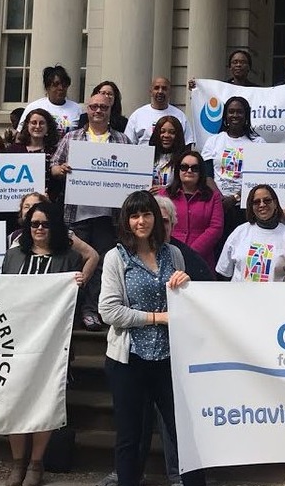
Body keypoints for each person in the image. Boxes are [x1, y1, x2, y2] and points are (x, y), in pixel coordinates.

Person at [97, 191, 205, 486]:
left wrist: (186, 283)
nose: (141, 221)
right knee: (131, 437)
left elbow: (185, 303)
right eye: (134, 215)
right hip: (129, 360)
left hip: (169, 358)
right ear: (126, 221)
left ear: (156, 219)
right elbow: (108, 310)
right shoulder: (116, 257)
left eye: (147, 214)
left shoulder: (173, 254)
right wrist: (156, 318)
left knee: (184, 434)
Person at [0, 201, 86, 486]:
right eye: (33, 224)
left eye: (45, 224)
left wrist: (78, 282)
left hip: (52, 344)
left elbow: (73, 302)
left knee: (43, 402)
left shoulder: (70, 258)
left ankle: (36, 463)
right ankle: (17, 463)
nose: (38, 228)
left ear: (55, 227)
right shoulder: (13, 257)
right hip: (15, 342)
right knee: (15, 402)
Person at [50, 92, 133, 332]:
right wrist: (61, 169)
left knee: (102, 264)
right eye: (94, 106)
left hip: (109, 216)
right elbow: (53, 167)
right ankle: (73, 311)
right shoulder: (72, 137)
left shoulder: (122, 140)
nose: (98, 111)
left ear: (111, 110)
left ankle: (92, 310)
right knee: (77, 262)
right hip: (76, 213)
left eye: (103, 107)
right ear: (87, 109)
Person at [200, 96, 266, 239]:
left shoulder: (258, 142)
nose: (235, 115)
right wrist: (220, 198)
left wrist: (235, 198)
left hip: (246, 207)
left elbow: (259, 177)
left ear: (246, 115)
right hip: (218, 206)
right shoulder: (214, 141)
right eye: (231, 112)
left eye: (239, 112)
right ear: (225, 115)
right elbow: (207, 175)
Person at [216, 184, 285, 282]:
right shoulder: (239, 232)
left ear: (275, 203)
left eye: (267, 200)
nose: (262, 205)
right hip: (239, 295)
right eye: (256, 202)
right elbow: (224, 272)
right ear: (251, 206)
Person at [165, 150, 223, 269]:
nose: (189, 171)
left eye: (195, 168)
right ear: (178, 171)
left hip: (201, 258)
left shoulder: (213, 197)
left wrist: (191, 253)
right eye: (184, 167)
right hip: (168, 256)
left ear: (201, 172)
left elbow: (216, 228)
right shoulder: (164, 195)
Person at [7, 108, 64, 201]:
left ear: (48, 126)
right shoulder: (13, 150)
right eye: (33, 122)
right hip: (16, 203)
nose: (37, 126)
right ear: (27, 125)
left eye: (41, 123)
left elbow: (58, 183)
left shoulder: (56, 152)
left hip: (48, 205)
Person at [17, 64, 84, 134]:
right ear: (47, 87)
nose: (61, 88)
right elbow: (21, 134)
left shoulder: (77, 109)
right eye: (55, 84)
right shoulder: (34, 107)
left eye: (64, 85)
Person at [123, 77, 189, 145]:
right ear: (151, 91)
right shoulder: (137, 115)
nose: (160, 91)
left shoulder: (180, 116)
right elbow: (128, 143)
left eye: (164, 88)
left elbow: (187, 143)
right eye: (156, 88)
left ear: (169, 92)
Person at [148, 115, 188, 192]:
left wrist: (167, 190)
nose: (166, 135)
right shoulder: (147, 156)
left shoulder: (184, 159)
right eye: (162, 132)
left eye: (172, 132)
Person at [187, 49, 260, 90]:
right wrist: (196, 89)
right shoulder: (220, 89)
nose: (238, 65)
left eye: (242, 62)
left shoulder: (256, 90)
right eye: (235, 62)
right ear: (230, 67)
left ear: (249, 67)